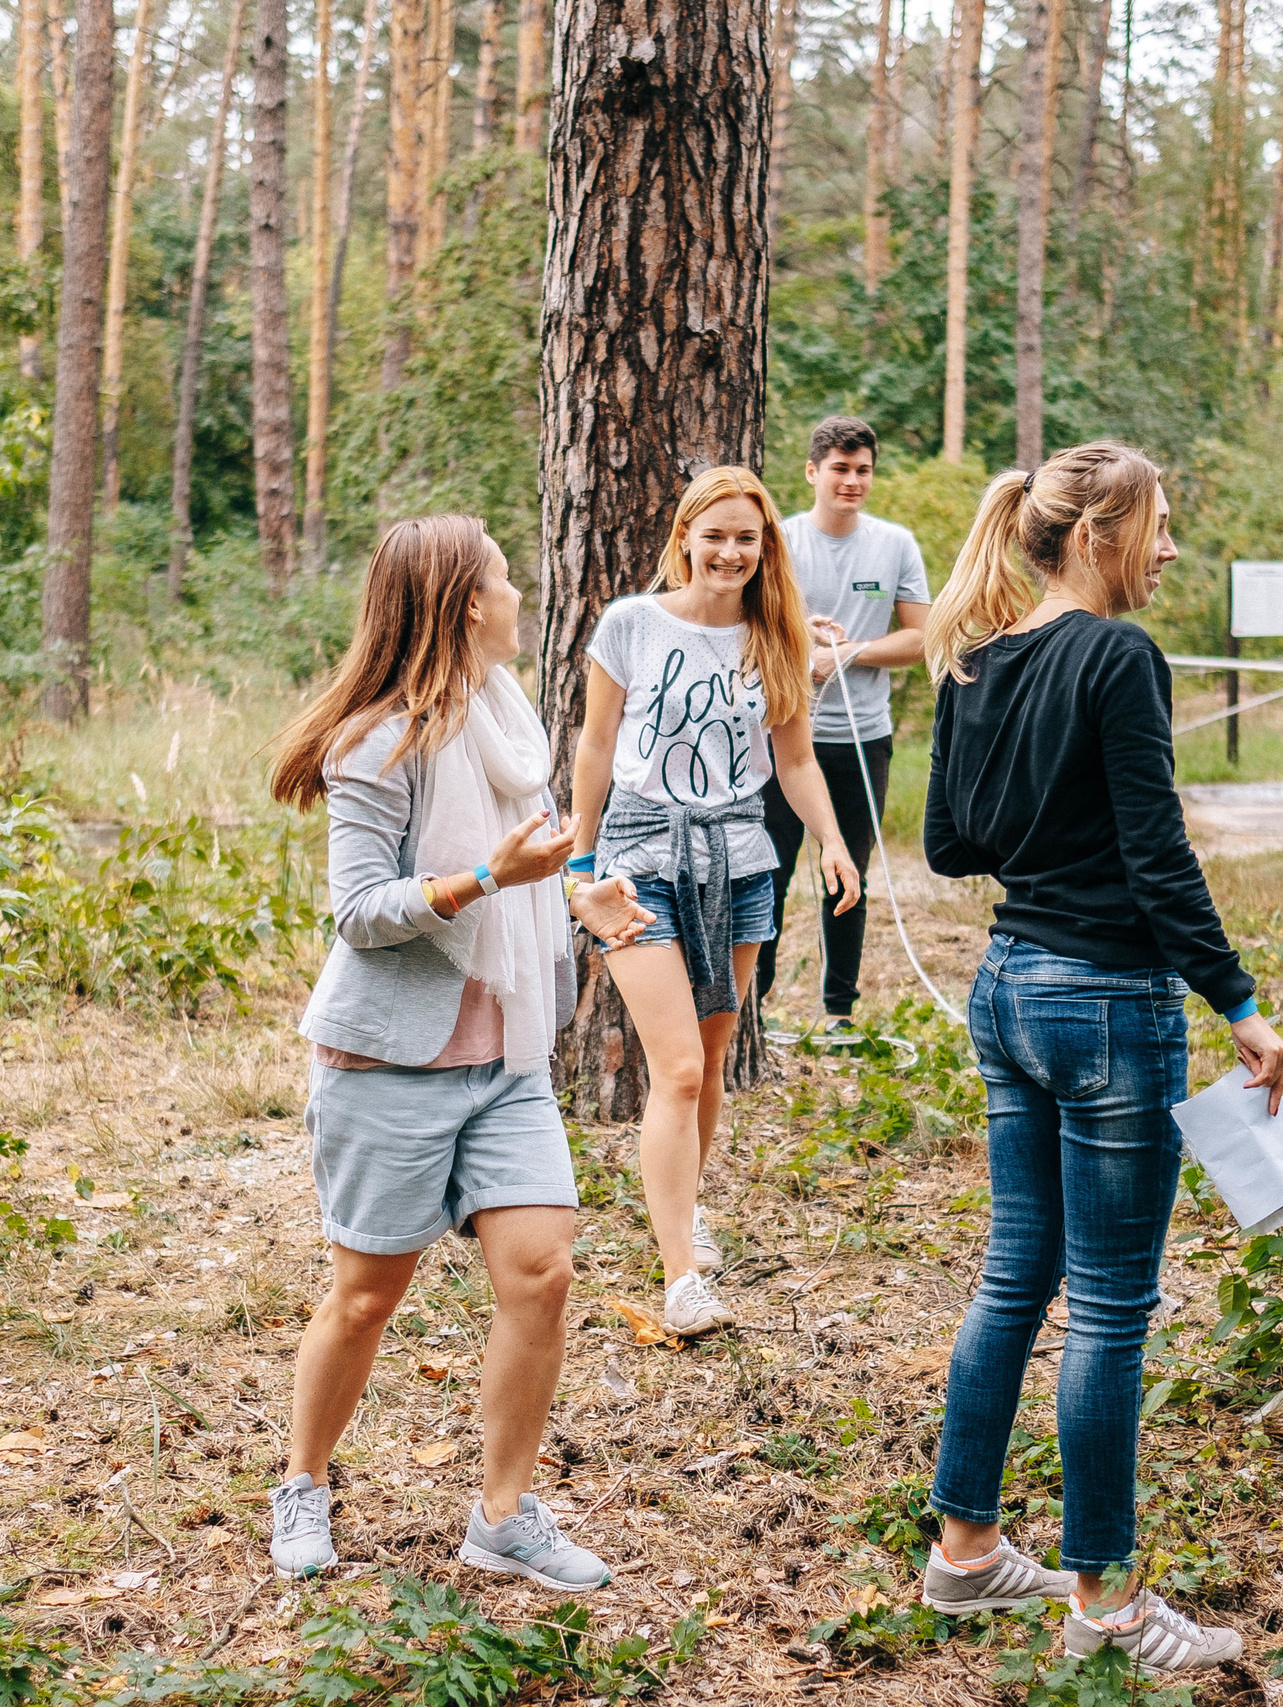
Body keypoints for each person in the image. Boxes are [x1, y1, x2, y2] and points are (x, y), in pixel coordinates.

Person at [915, 444, 1283, 1673]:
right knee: (1112, 1311)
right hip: (1104, 1007)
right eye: (1160, 525)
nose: (1171, 547)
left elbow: (947, 844)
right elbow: (1156, 854)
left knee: (1014, 1275)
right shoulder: (1118, 656)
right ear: (1096, 533)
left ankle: (965, 1552)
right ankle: (1108, 1608)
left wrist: (1038, 820)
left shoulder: (978, 653)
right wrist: (1235, 1001)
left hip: (1008, 985)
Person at [266, 515, 653, 1589]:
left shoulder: (506, 716)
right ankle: (303, 1481)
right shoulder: (376, 745)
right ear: (465, 605)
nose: (520, 593)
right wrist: (488, 879)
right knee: (364, 1296)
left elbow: (529, 858)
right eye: (503, 578)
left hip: (507, 1059)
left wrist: (580, 891)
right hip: (390, 1064)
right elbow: (359, 911)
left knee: (543, 1272)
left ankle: (504, 1512)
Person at [568, 466, 863, 1338]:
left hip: (739, 855)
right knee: (681, 1067)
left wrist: (836, 841)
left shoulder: (774, 639)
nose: (731, 551)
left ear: (765, 547)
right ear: (686, 536)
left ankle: (683, 1206)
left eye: (749, 537)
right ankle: (682, 1276)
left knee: (713, 1046)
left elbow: (797, 761)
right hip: (637, 855)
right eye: (717, 534)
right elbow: (593, 746)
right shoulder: (630, 624)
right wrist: (579, 867)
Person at [755, 416, 934, 1032]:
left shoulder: (894, 543)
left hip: (861, 739)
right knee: (768, 873)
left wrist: (846, 653)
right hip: (778, 738)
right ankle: (754, 1008)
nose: (852, 481)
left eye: (862, 470)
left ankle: (839, 1014)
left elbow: (922, 638)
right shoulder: (779, 540)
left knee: (848, 874)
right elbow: (748, 621)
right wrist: (799, 644)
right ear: (812, 472)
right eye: (840, 468)